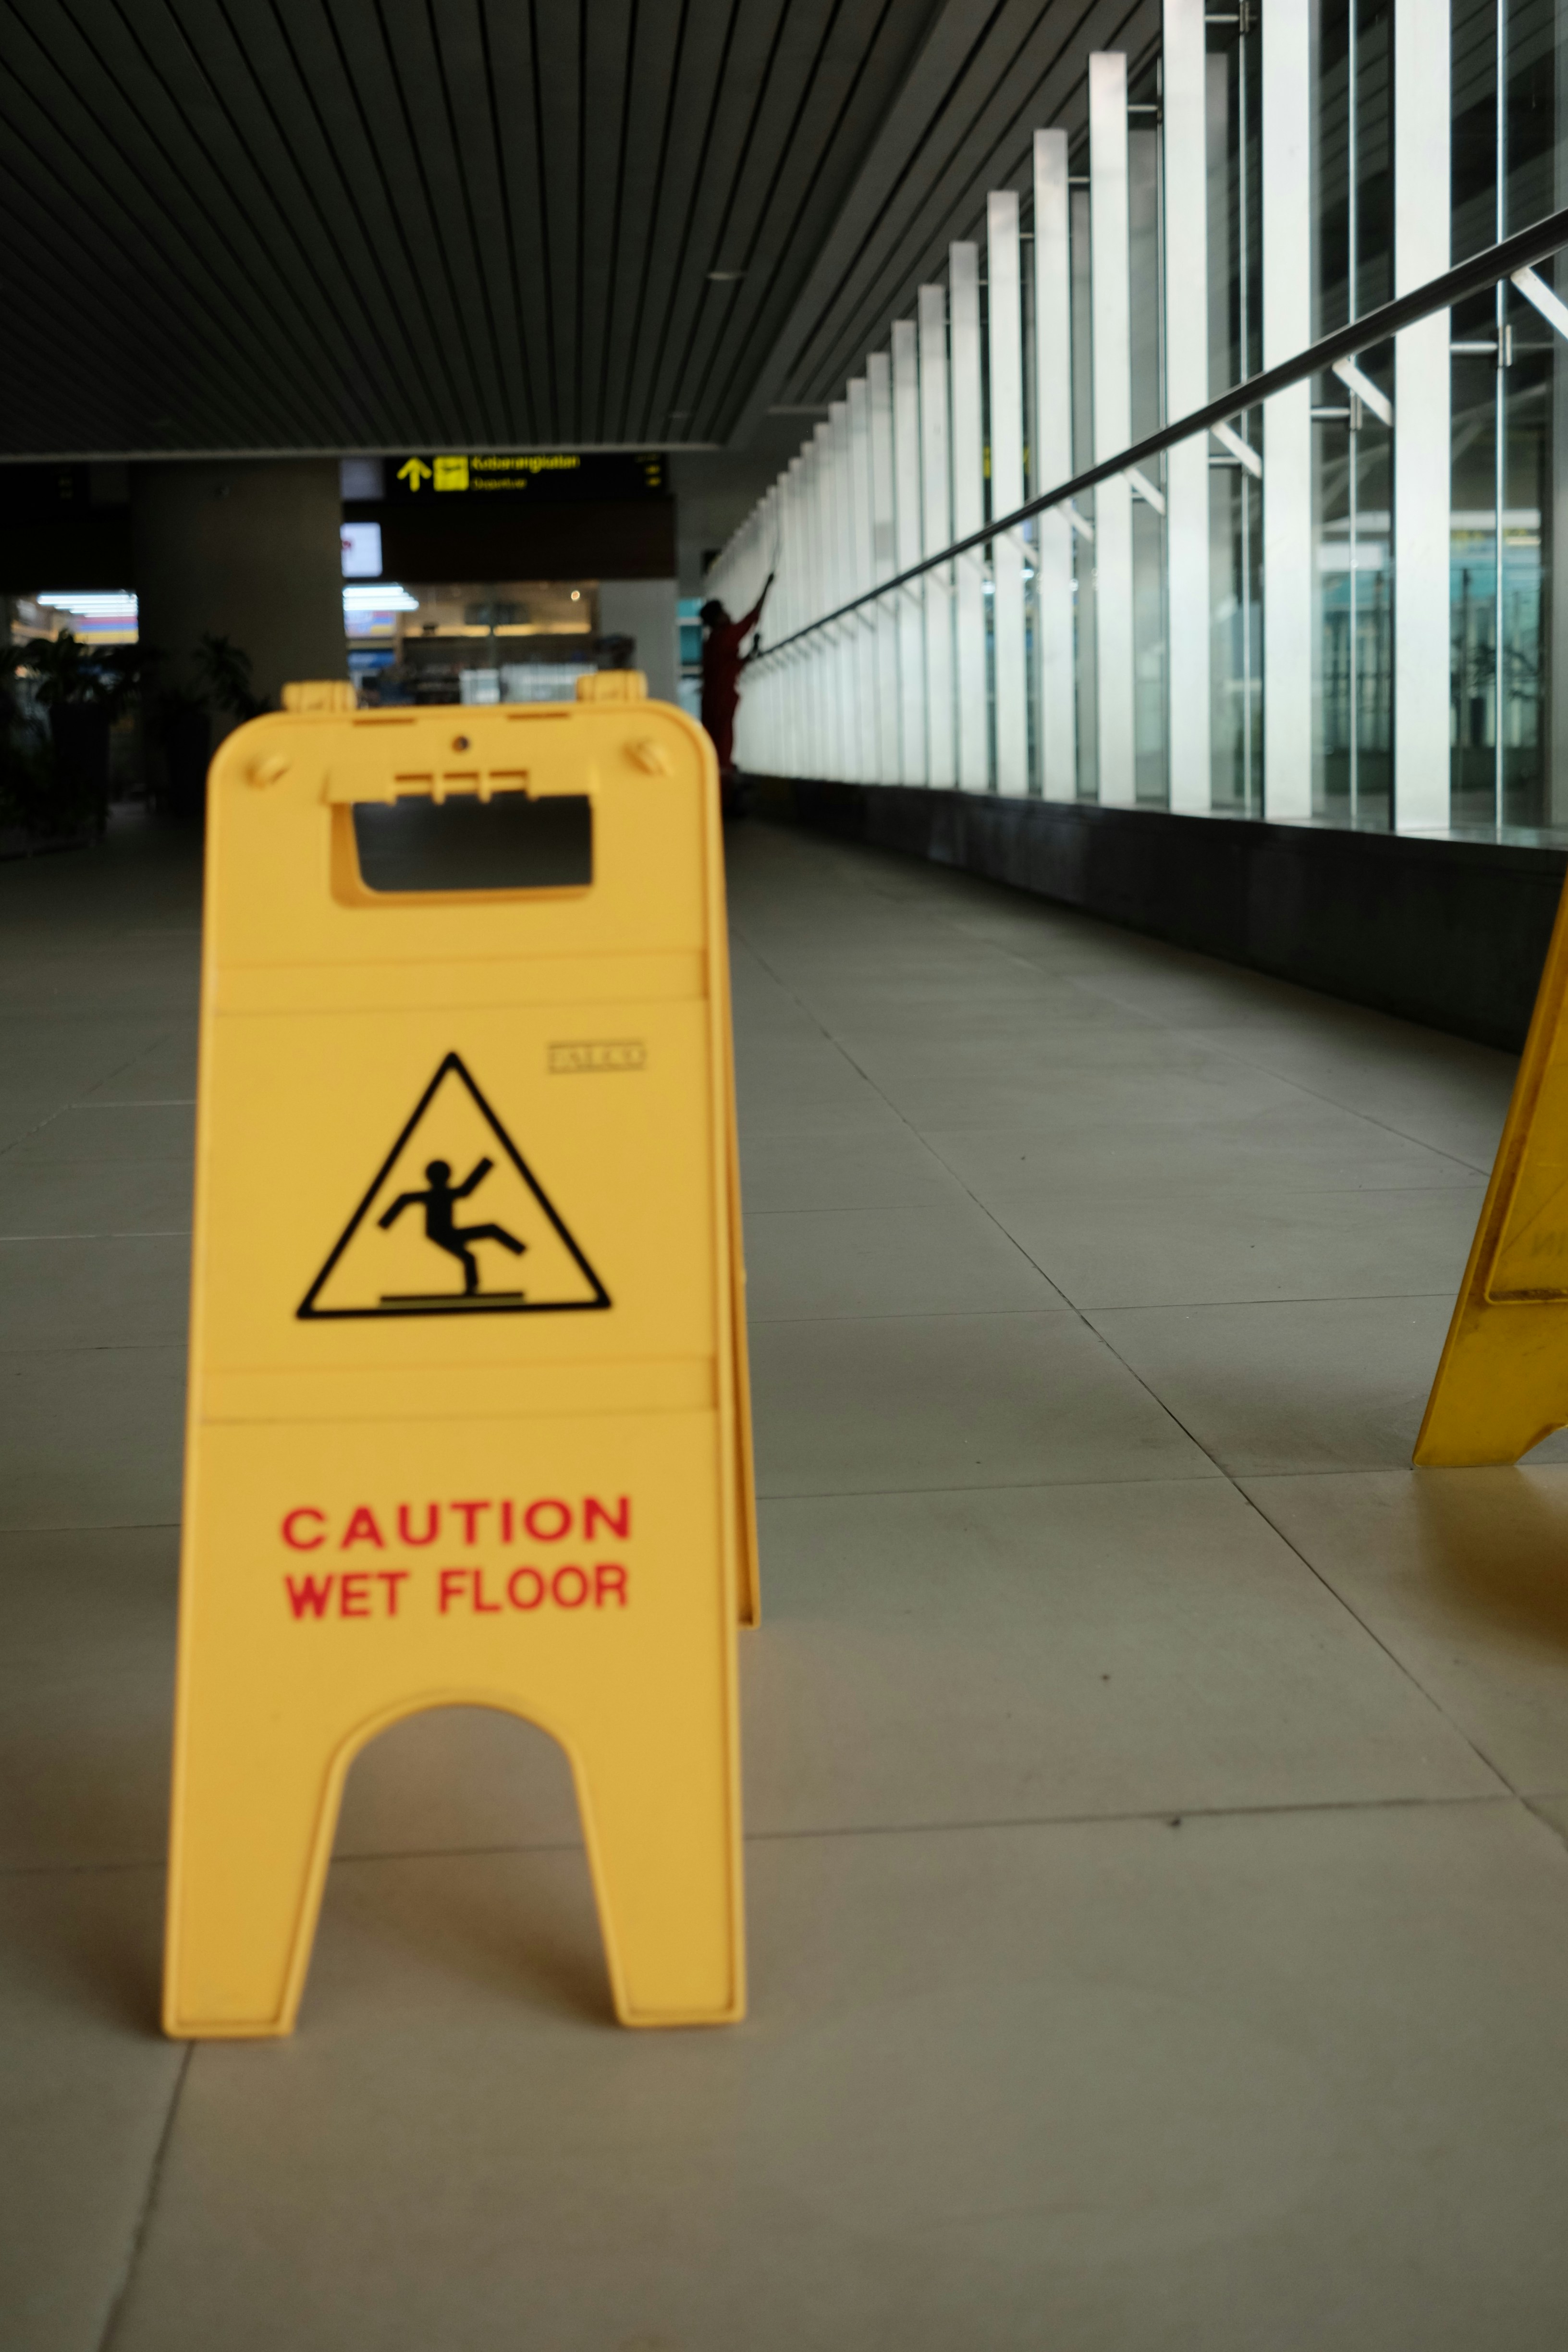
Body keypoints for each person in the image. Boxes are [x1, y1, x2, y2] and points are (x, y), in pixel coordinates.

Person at [700, 572, 773, 799]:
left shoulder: (712, 642)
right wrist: (767, 586)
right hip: (723, 700)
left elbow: (734, 665)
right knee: (724, 747)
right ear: (717, 619)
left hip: (712, 701)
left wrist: (751, 652)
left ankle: (719, 793)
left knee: (717, 746)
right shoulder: (726, 637)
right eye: (723, 612)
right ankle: (723, 796)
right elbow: (752, 618)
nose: (727, 614)